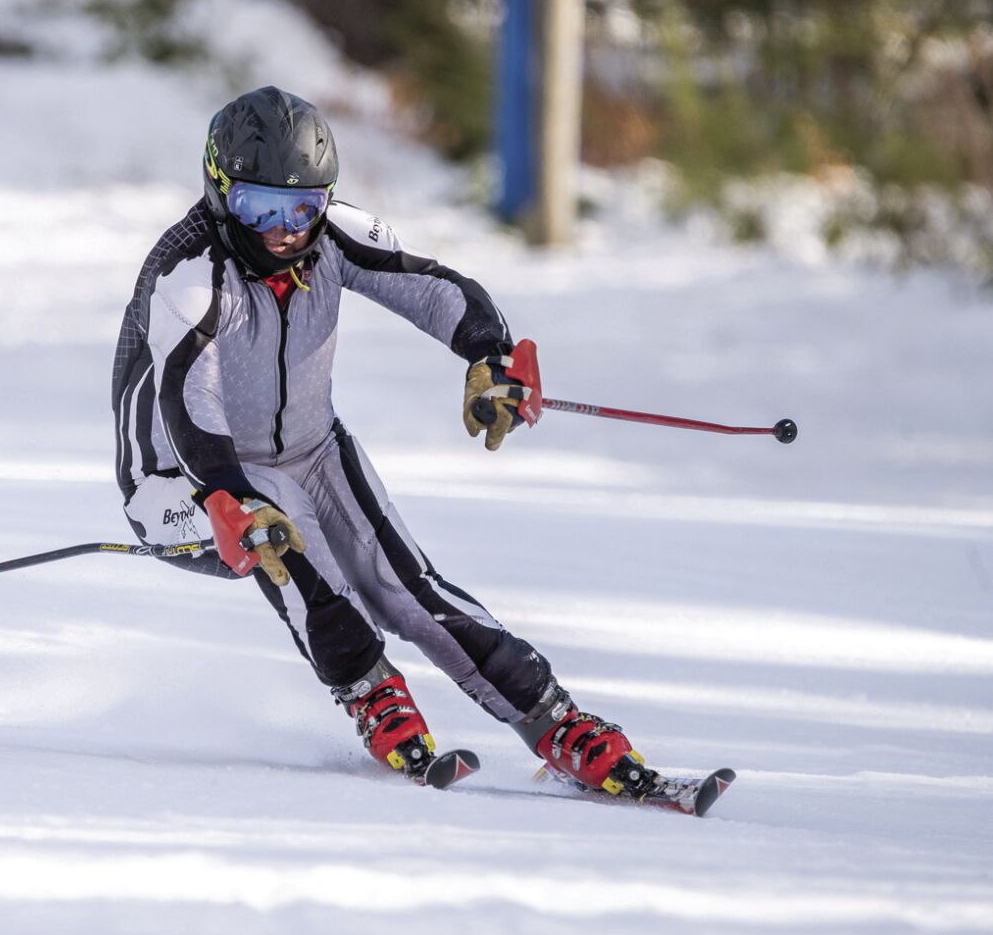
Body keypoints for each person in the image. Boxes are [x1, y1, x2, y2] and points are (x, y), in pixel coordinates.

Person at [111, 85, 652, 795]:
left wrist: (487, 357)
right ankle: (369, 689)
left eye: (301, 209)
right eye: (259, 208)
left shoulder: (332, 234)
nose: (283, 232)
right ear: (219, 193)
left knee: (407, 587)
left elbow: (434, 288)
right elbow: (190, 400)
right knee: (288, 537)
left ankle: (552, 720)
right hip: (180, 481)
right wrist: (225, 493)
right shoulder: (187, 271)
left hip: (309, 450)